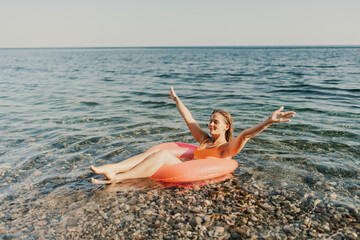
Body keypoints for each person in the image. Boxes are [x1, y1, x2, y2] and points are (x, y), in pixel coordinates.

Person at [90, 87, 296, 184]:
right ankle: (112, 168)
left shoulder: (225, 149)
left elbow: (245, 136)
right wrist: (177, 99)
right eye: (210, 120)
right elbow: (188, 118)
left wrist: (268, 121)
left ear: (226, 127)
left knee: (161, 155)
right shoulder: (205, 140)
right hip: (183, 166)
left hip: (191, 172)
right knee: (160, 152)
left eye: (216, 122)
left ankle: (117, 178)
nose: (211, 123)